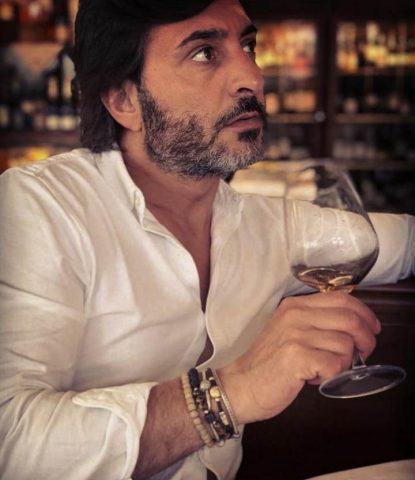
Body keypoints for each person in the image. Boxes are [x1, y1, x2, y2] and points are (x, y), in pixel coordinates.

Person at [0, 0, 413, 479]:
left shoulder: (271, 227)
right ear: (124, 100)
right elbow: (11, 444)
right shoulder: (40, 209)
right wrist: (232, 392)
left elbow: (403, 240)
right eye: (204, 53)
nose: (252, 77)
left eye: (248, 46)